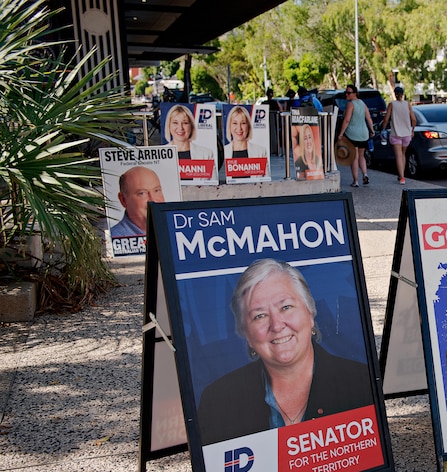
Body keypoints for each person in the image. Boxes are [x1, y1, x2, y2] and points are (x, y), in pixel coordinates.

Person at [197, 259, 374, 445]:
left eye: (286, 307)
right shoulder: (218, 402)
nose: (277, 325)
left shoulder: (360, 384)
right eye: (259, 316)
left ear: (310, 313)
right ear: (246, 334)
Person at [110, 166, 165, 237]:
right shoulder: (112, 240)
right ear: (123, 200)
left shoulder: (175, 231)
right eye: (142, 193)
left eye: (156, 190)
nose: (153, 199)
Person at [337, 84, 374, 188]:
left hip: (352, 134)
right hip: (363, 134)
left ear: (354, 93)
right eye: (346, 92)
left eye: (349, 93)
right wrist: (372, 129)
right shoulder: (362, 103)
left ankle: (356, 181)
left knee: (354, 157)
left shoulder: (351, 104)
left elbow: (347, 120)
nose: (346, 95)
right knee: (361, 156)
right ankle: (365, 174)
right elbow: (368, 118)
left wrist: (341, 133)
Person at [380, 85, 416, 185]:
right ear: (403, 94)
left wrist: (382, 128)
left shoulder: (392, 104)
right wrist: (412, 130)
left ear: (395, 94)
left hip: (396, 133)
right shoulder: (408, 104)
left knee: (398, 155)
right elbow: (414, 119)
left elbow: (386, 119)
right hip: (407, 134)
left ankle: (402, 178)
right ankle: (402, 175)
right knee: (403, 154)